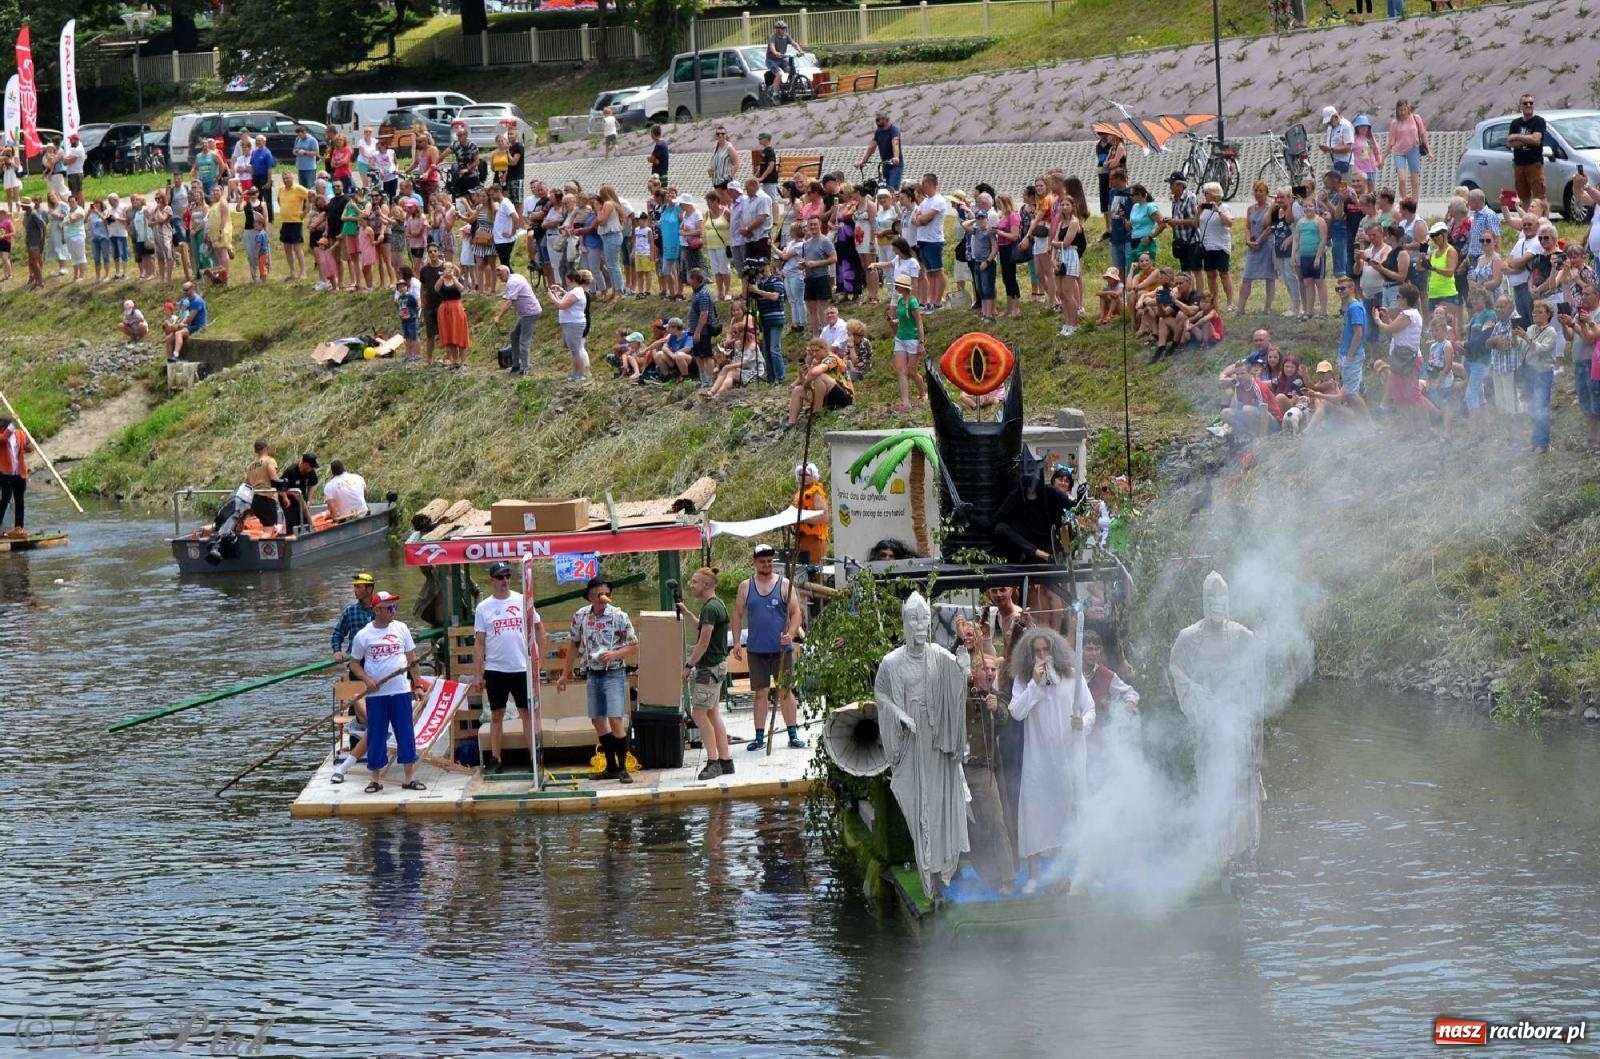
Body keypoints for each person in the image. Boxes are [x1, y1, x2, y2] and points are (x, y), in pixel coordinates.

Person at [874, 591, 969, 898]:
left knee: (943, 807)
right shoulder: (891, 662)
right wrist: (900, 715)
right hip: (911, 744)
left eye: (924, 618)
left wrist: (964, 663)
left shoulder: (939, 655)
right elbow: (882, 696)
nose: (919, 624)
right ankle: (928, 871)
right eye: (913, 618)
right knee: (921, 811)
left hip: (938, 742)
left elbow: (957, 677)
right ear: (905, 622)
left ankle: (944, 873)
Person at [1169, 572, 1263, 872]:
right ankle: (1214, 848)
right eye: (1210, 598)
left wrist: (1247, 714)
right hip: (1208, 725)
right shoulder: (1189, 637)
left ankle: (1240, 848)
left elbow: (1257, 680)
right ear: (1203, 601)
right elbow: (1177, 671)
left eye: (1221, 597)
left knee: (1239, 783)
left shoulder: (1243, 636)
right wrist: (1198, 698)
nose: (1216, 604)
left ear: (1228, 600)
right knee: (1211, 782)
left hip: (1236, 724)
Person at [1007, 625, 1094, 894]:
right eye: (1037, 652)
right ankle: (1033, 876)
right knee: (1034, 813)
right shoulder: (1024, 681)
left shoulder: (1072, 676)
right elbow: (1016, 713)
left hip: (1069, 758)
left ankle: (1084, 871)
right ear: (1029, 656)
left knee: (1077, 813)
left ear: (1055, 650)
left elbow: (1089, 709)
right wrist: (1034, 684)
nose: (1042, 655)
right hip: (1039, 760)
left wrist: (1084, 722)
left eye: (1046, 650)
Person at [557, 576, 638, 783]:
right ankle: (610, 766)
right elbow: (574, 645)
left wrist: (614, 654)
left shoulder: (619, 616)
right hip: (592, 672)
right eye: (600, 593)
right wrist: (565, 674)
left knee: (615, 718)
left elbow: (633, 644)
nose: (604, 597)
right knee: (598, 720)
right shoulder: (581, 616)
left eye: (607, 594)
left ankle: (623, 768)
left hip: (613, 672)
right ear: (591, 596)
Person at [350, 590, 428, 794]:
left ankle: (409, 778)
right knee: (376, 735)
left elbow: (412, 659)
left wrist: (417, 684)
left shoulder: (401, 628)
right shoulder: (364, 635)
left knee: (405, 733)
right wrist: (367, 680)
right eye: (389, 607)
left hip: (401, 691)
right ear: (377, 610)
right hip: (377, 694)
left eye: (394, 607)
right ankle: (375, 780)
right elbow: (354, 664)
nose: (394, 611)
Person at [731, 543, 806, 752]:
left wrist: (790, 635)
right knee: (761, 693)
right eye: (762, 561)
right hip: (756, 649)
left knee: (785, 691)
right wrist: (737, 641)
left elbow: (796, 613)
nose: (767, 564)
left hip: (781, 650)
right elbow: (737, 614)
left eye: (770, 561)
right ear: (755, 562)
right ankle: (759, 736)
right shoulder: (746, 586)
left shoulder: (784, 584)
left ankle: (793, 734)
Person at [472, 560, 544, 775]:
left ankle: (533, 757)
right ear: (492, 580)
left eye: (507, 576)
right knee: (497, 714)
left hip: (522, 666)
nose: (504, 581)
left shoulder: (523, 600)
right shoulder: (484, 607)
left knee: (526, 713)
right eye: (500, 577)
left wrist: (540, 660)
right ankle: (496, 758)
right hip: (496, 668)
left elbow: (539, 628)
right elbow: (479, 642)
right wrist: (478, 674)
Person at [677, 566, 735, 781]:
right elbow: (702, 628)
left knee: (699, 713)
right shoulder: (714, 605)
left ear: (707, 585)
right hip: (717, 665)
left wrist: (688, 665)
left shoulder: (711, 608)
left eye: (695, 582)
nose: (691, 585)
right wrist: (687, 613)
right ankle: (726, 760)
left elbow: (703, 642)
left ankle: (713, 762)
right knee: (712, 713)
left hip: (708, 668)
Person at [492, 263, 541, 376]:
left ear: (507, 272)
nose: (500, 278)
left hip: (530, 313)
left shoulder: (512, 282)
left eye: (500, 275)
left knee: (524, 341)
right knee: (514, 336)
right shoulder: (515, 277)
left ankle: (524, 368)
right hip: (525, 313)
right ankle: (516, 365)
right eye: (498, 276)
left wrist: (499, 317)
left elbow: (510, 302)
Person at [1507, 93, 1548, 207]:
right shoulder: (1515, 123)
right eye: (1525, 103)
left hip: (1534, 164)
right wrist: (1527, 139)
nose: (1528, 105)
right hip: (1519, 165)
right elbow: (1510, 142)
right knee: (1523, 197)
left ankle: (1544, 221)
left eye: (1531, 103)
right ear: (1521, 106)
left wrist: (1518, 136)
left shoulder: (1539, 121)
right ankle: (1528, 221)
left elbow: (1536, 140)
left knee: (1540, 196)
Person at [0, 415, 33, 538]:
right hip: (4, 473)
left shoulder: (19, 434)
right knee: (5, 499)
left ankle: (19, 528)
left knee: (20, 500)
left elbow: (28, 448)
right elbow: (3, 439)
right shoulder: (1, 435)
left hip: (19, 473)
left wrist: (30, 443)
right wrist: (12, 424)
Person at [792, 462, 829, 564]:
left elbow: (824, 518)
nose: (803, 477)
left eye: (806, 474)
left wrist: (802, 519)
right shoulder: (799, 494)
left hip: (815, 538)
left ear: (813, 476)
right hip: (801, 538)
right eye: (801, 474)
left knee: (815, 569)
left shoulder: (816, 492)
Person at [243, 439, 283, 531]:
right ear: (266, 448)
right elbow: (275, 480)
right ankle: (266, 544)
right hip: (267, 498)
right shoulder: (269, 461)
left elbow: (247, 484)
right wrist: (284, 496)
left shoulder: (251, 466)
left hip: (255, 499)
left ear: (256, 451)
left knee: (265, 525)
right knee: (269, 529)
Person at [163, 280, 207, 361]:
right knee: (169, 338)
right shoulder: (187, 300)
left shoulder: (197, 301)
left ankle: (176, 355)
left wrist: (179, 325)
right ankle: (169, 360)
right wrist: (178, 323)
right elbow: (183, 314)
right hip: (190, 325)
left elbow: (190, 318)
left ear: (192, 288)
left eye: (187, 290)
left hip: (198, 326)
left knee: (178, 333)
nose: (185, 292)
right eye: (184, 290)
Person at [860, 112, 903, 192]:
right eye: (876, 120)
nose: (877, 122)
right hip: (885, 164)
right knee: (883, 190)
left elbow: (895, 143)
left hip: (894, 165)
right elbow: (872, 146)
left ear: (886, 120)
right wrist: (863, 161)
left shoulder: (893, 130)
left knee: (892, 189)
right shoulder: (878, 132)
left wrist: (896, 157)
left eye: (879, 120)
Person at [279, 452, 319, 532]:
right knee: (293, 524)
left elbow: (312, 485)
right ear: (305, 463)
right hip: (288, 502)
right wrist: (290, 495)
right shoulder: (290, 471)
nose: (311, 469)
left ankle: (309, 536)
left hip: (301, 501)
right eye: (311, 466)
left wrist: (309, 500)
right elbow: (280, 488)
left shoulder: (310, 472)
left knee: (305, 522)